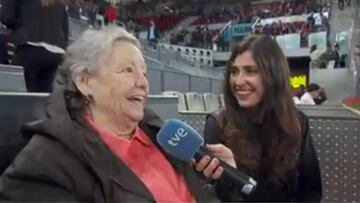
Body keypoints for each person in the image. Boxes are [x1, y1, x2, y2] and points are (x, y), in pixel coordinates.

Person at [0, 26, 219, 202]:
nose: (143, 83)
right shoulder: (46, 163)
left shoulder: (158, 131)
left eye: (144, 72)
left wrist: (220, 180)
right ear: (85, 81)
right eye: (127, 70)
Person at [194, 35, 322, 202]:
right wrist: (229, 177)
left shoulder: (298, 121)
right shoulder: (218, 124)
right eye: (234, 71)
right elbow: (213, 197)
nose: (238, 81)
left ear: (274, 74)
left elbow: (311, 191)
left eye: (251, 71)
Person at [0, 0, 69, 92]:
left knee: (13, 88)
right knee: (41, 94)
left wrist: (19, 27)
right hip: (56, 52)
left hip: (30, 46)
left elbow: (6, 17)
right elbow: (65, 29)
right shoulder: (60, 2)